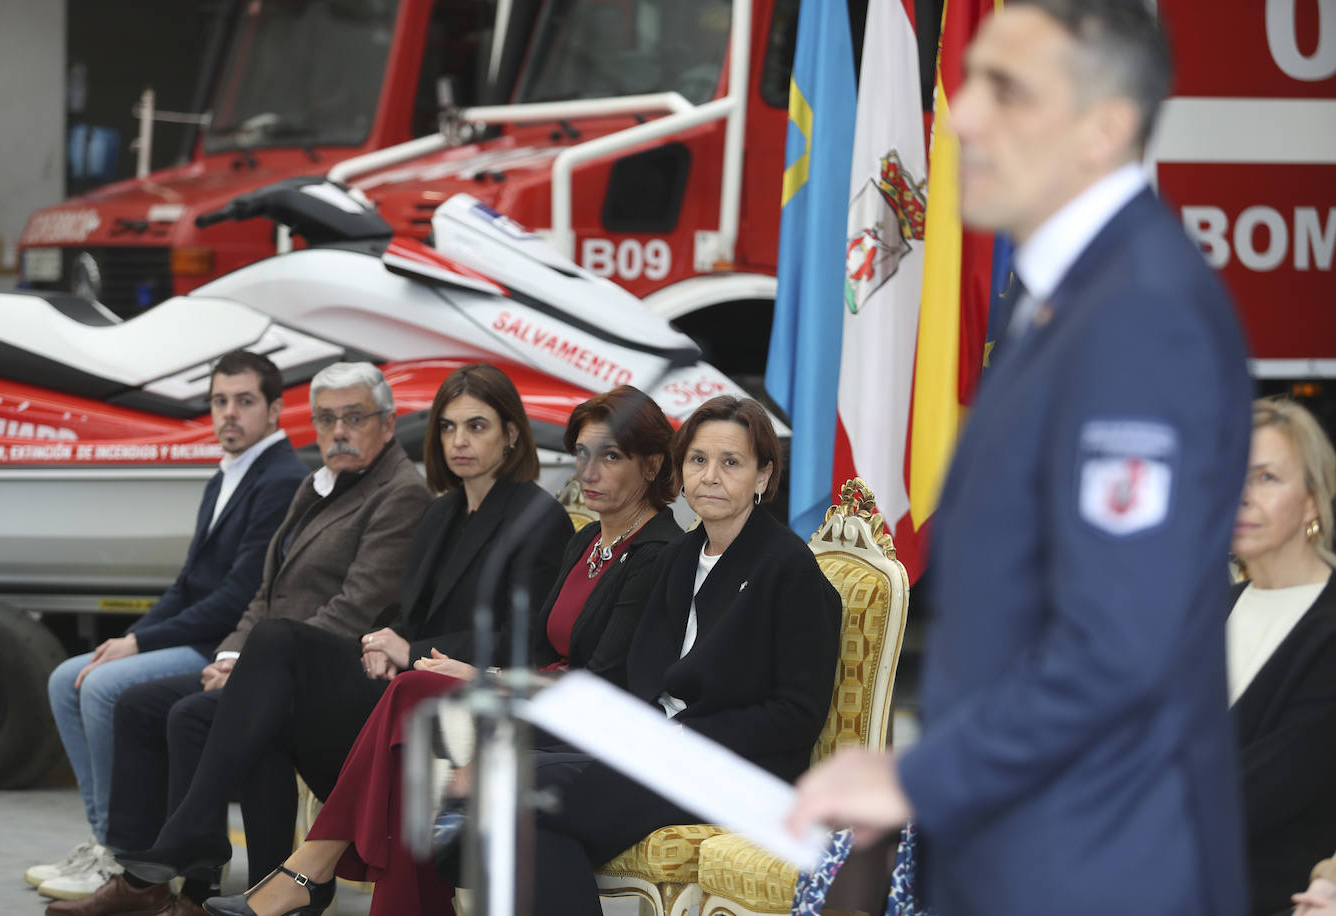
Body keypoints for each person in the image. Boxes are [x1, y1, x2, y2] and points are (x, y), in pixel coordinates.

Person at [787, 2, 1254, 913]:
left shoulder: (1141, 318)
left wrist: (918, 777)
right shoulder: (1069, 301)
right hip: (1036, 853)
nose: (961, 117)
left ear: (1105, 126)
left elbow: (1120, 644)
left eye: (1006, 89)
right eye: (968, 84)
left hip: (1100, 868)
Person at [197, 384, 685, 916]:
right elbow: (540, 651)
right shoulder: (586, 542)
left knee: (413, 696)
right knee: (413, 737)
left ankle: (309, 870)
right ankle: (326, 878)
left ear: (653, 464)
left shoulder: (658, 551)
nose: (588, 473)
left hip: (586, 725)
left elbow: (604, 683)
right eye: (582, 455)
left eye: (610, 457)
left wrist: (483, 678)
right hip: (534, 702)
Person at [111, 364, 576, 912]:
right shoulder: (443, 511)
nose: (460, 441)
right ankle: (269, 886)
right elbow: (406, 613)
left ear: (512, 434)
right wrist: (385, 641)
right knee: (246, 708)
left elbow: (522, 640)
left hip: (454, 709)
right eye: (448, 428)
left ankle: (200, 836)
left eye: (477, 427)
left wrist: (413, 649)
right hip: (395, 693)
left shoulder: (537, 517)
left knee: (278, 642)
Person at [48, 362, 432, 916]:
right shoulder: (315, 483)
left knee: (203, 712)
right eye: (326, 418)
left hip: (341, 673)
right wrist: (232, 655)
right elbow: (263, 593)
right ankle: (177, 880)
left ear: (389, 424)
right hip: (274, 661)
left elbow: (357, 607)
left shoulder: (399, 494)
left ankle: (234, 875)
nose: (338, 431)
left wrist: (250, 663)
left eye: (354, 417)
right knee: (147, 706)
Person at [506, 395, 840, 916]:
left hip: (731, 768)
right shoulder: (681, 554)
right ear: (681, 470)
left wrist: (682, 738)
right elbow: (643, 675)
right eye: (698, 460)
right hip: (655, 749)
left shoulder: (787, 569)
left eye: (731, 462)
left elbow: (797, 715)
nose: (710, 476)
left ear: (762, 475)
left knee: (531, 804)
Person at [31, 351, 309, 901]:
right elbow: (186, 584)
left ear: (275, 410)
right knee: (68, 677)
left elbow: (238, 597)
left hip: (222, 645)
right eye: (218, 401)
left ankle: (124, 853)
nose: (228, 414)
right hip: (193, 632)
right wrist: (127, 639)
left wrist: (140, 642)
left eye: (244, 401)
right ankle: (104, 840)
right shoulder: (226, 474)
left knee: (104, 689)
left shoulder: (279, 479)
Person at [1227, 397, 1336, 915]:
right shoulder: (1194, 618)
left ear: (1313, 501)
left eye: (1266, 478)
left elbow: (1255, 794)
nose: (1240, 497)